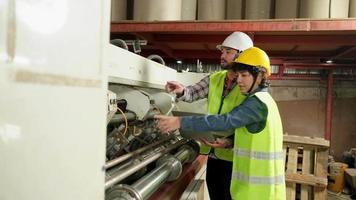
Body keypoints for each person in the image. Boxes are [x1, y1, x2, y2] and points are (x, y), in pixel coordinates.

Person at [156, 47, 286, 200]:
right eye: (238, 75)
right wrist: (229, 141)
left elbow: (225, 121)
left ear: (260, 76)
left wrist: (180, 121)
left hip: (256, 192)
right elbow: (256, 138)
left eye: (244, 75)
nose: (239, 80)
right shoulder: (264, 100)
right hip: (260, 189)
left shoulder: (257, 104)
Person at [165, 32, 253, 200]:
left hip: (235, 159)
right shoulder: (215, 78)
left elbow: (247, 124)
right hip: (213, 154)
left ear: (241, 55)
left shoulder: (248, 86)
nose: (222, 55)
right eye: (222, 51)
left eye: (228, 52)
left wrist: (230, 141)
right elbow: (192, 92)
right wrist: (181, 90)